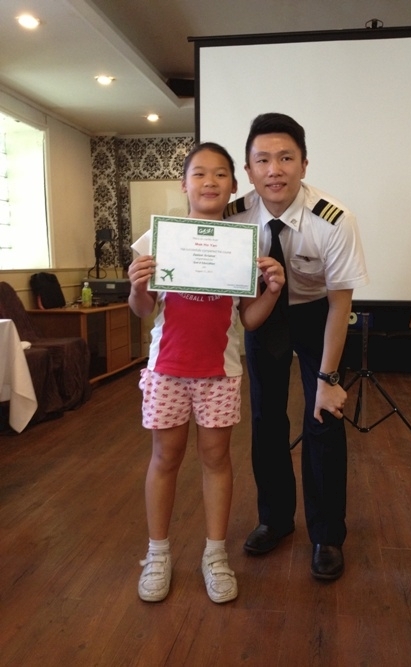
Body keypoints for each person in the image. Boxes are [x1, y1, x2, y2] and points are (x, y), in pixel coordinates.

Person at [128, 142, 286, 603]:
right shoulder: (156, 240)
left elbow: (248, 319)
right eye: (199, 173)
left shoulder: (244, 245)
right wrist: (137, 286)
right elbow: (143, 309)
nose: (210, 181)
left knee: (216, 460)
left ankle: (215, 555)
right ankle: (157, 554)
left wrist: (272, 291)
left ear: (233, 185)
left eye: (220, 174)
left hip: (220, 372)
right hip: (167, 370)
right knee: (165, 458)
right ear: (184, 184)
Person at [225, 113, 368, 580]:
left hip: (318, 313)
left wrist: (328, 380)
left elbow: (340, 305)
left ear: (304, 164)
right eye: (263, 160)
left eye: (286, 158)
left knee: (323, 417)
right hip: (264, 311)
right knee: (266, 418)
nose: (275, 170)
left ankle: (327, 535)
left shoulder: (334, 220)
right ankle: (275, 519)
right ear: (248, 170)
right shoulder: (234, 216)